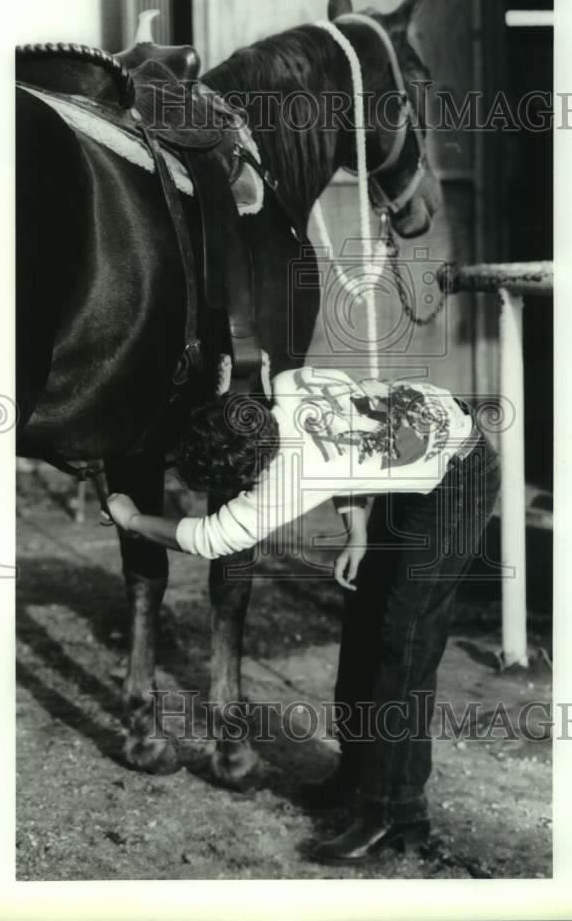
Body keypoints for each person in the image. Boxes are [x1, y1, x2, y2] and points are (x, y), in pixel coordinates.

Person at [107, 365, 500, 865]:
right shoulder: (289, 385)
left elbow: (209, 537)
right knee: (364, 622)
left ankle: (396, 812)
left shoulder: (286, 475)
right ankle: (359, 778)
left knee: (403, 639)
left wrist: (131, 518)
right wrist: (356, 532)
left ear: (251, 473)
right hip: (417, 456)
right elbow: (353, 446)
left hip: (458, 475)